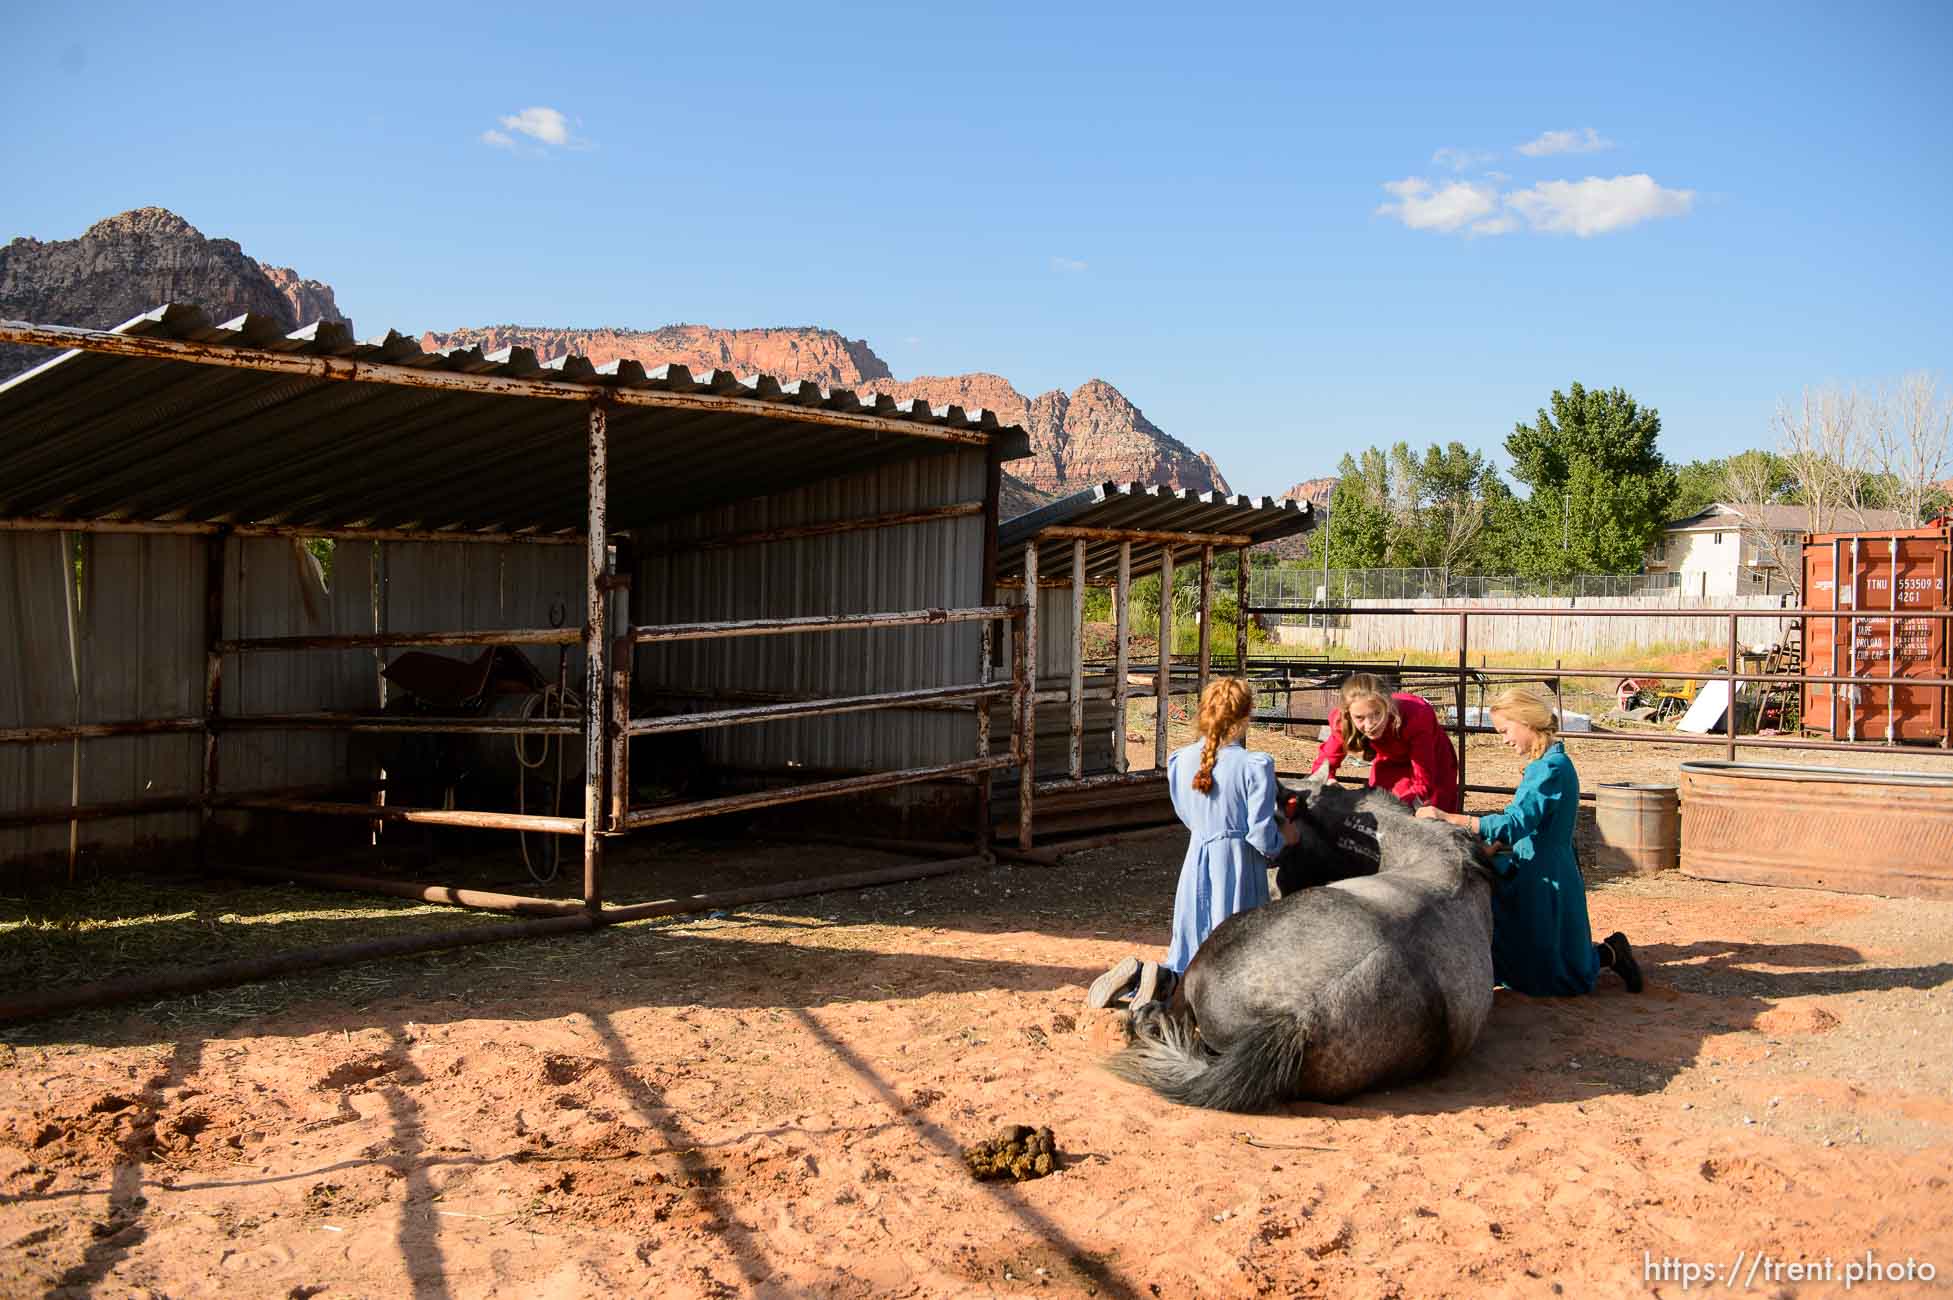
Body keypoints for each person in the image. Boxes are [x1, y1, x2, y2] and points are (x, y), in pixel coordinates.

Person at [1086, 677, 1301, 1009]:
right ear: (1246, 717)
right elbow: (1259, 835)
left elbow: (1186, 814)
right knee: (1233, 942)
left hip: (1198, 855)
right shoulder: (1254, 766)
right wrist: (1283, 841)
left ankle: (1151, 975)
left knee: (1190, 939)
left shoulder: (1180, 760)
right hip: (1237, 863)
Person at [1415, 684, 1644, 996]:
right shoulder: (1547, 764)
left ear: (1526, 721)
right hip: (1535, 860)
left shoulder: (1550, 769)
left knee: (1556, 974)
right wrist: (1494, 847)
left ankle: (1610, 954)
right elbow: (1528, 822)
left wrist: (1448, 817)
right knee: (1534, 945)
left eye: (1506, 730)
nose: (1505, 740)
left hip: (1544, 869)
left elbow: (1516, 823)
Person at [1312, 673, 1460, 813]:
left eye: (1377, 713)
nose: (1370, 725)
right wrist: (1329, 781)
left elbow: (1424, 781)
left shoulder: (1416, 716)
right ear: (1348, 714)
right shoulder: (1341, 722)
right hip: (1389, 757)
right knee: (1379, 800)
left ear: (1388, 706)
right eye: (1359, 717)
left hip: (1432, 760)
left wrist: (1396, 809)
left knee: (1431, 812)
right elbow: (1324, 765)